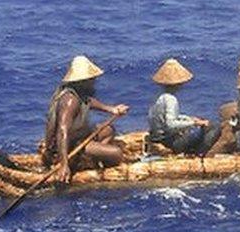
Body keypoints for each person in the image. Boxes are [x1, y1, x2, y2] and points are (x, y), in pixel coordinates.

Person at [43, 55, 132, 183]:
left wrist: (112, 109)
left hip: (80, 138)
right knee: (116, 154)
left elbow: (89, 102)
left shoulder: (80, 93)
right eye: (92, 79)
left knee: (109, 130)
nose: (94, 81)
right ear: (83, 81)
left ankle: (91, 157)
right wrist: (63, 164)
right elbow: (62, 131)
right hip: (69, 146)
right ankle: (82, 161)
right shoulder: (70, 100)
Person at [147, 58, 222, 155]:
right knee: (214, 127)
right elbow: (170, 124)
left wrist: (188, 119)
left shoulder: (160, 98)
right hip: (170, 143)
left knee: (198, 126)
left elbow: (167, 118)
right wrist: (194, 123)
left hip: (158, 138)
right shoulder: (171, 99)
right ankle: (199, 153)